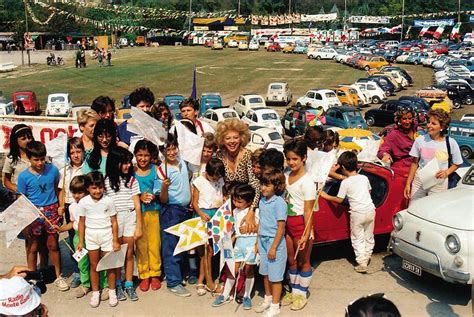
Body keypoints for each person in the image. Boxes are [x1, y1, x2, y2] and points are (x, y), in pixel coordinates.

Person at [17, 141, 69, 291]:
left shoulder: (53, 170)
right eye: (36, 160)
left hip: (51, 210)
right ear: (28, 158)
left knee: (53, 245)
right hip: (32, 213)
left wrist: (60, 206)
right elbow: (22, 200)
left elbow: (58, 190)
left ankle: (58, 276)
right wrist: (25, 223)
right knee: (33, 247)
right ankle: (32, 278)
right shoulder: (23, 177)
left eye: (42, 159)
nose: (40, 163)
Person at [321, 151, 376, 273]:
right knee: (369, 234)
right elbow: (369, 192)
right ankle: (367, 254)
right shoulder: (364, 178)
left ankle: (362, 262)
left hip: (357, 213)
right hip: (370, 209)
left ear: (344, 168)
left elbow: (339, 199)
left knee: (357, 237)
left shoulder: (345, 183)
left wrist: (325, 196)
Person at [56, 175, 108, 299]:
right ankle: (86, 284)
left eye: (80, 192)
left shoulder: (93, 204)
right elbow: (72, 223)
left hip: (92, 235)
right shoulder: (72, 207)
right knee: (82, 263)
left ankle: (104, 285)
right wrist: (61, 228)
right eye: (74, 192)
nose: (76, 195)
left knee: (99, 262)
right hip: (79, 239)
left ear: (87, 191)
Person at [153, 134, 192, 297]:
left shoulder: (182, 162)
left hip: (185, 210)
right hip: (170, 210)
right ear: (162, 151)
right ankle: (173, 282)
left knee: (182, 245)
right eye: (167, 149)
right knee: (170, 245)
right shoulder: (161, 170)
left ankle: (178, 275)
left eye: (173, 148)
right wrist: (164, 186)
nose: (171, 152)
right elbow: (162, 198)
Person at [281, 139, 316, 311]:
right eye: (288, 159)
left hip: (301, 225)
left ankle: (302, 294)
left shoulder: (308, 182)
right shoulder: (286, 176)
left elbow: (309, 211)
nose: (291, 162)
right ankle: (294, 291)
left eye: (295, 159)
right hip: (287, 224)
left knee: (304, 261)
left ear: (304, 158)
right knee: (291, 260)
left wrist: (306, 233)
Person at [105, 146, 143, 302]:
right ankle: (118, 284)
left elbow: (138, 205)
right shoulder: (106, 181)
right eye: (125, 163)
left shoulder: (132, 180)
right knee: (117, 254)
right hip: (114, 220)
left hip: (129, 217)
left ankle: (128, 283)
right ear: (115, 163)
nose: (128, 166)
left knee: (128, 253)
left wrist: (139, 226)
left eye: (129, 162)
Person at [77, 172, 120, 308]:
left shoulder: (108, 201)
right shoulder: (84, 202)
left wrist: (115, 240)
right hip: (91, 237)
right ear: (88, 188)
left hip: (106, 235)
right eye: (94, 188)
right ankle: (96, 292)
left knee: (109, 265)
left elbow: (114, 222)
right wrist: (80, 241)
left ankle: (112, 291)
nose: (97, 191)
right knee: (94, 265)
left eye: (100, 187)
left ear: (104, 187)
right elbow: (81, 222)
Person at [212, 184, 257, 309]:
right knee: (232, 270)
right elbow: (235, 230)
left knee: (248, 270)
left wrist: (251, 229)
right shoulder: (235, 212)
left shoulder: (254, 212)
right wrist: (230, 240)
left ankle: (247, 296)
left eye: (239, 201)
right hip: (238, 245)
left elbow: (260, 228)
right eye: (234, 200)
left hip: (251, 245)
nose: (236, 203)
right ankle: (225, 295)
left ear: (249, 202)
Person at [404, 109, 462, 203]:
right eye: (428, 122)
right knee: (414, 207)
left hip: (439, 182)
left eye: (433, 123)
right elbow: (414, 163)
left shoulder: (451, 143)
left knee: (433, 209)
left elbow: (457, 163)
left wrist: (446, 172)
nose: (428, 125)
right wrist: (408, 183)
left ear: (442, 127)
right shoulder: (420, 140)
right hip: (420, 180)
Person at [215, 119, 260, 233]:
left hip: (247, 204)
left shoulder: (247, 155)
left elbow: (255, 185)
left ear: (241, 138)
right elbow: (218, 180)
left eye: (235, 137)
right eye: (228, 138)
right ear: (222, 140)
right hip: (227, 204)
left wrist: (251, 211)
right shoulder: (219, 155)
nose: (232, 141)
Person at [254, 169, 287, 317]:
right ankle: (267, 298)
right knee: (265, 273)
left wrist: (273, 247)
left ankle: (275, 305)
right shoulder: (262, 200)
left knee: (275, 276)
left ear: (276, 186)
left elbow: (281, 227)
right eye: (262, 184)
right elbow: (260, 221)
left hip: (275, 243)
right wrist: (257, 242)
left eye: (267, 185)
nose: (263, 188)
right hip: (262, 240)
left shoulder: (279, 203)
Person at [192, 158, 225, 296]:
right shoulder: (199, 181)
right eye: (213, 177)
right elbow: (194, 202)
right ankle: (210, 283)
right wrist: (200, 213)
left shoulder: (220, 180)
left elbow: (222, 194)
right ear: (207, 172)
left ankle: (201, 281)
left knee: (208, 253)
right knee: (206, 251)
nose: (215, 179)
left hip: (216, 215)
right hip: (203, 216)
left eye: (218, 177)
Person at [134, 140, 162, 292]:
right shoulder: (131, 171)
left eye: (146, 155)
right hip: (138, 214)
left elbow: (160, 190)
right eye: (139, 155)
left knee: (154, 243)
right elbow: (129, 192)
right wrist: (139, 197)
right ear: (135, 155)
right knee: (141, 245)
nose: (143, 158)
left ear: (151, 156)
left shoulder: (156, 169)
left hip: (154, 212)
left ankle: (155, 273)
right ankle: (144, 274)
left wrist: (153, 196)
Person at [57, 137, 85, 288]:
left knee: (86, 239)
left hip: (84, 206)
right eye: (72, 152)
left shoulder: (87, 169)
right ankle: (77, 271)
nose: (75, 155)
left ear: (83, 152)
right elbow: (62, 191)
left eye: (78, 151)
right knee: (74, 240)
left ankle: (89, 269)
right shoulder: (64, 171)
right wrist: (61, 207)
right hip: (69, 206)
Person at [377, 107, 417, 175]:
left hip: (417, 164)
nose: (408, 122)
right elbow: (382, 150)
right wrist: (385, 154)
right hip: (403, 168)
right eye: (404, 119)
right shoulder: (394, 134)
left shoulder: (415, 129)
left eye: (410, 118)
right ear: (399, 120)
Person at [2, 124, 33, 194]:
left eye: (29, 137)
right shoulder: (11, 159)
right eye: (23, 139)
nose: (28, 140)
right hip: (22, 198)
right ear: (15, 140)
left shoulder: (38, 155)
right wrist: (18, 189)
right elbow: (6, 181)